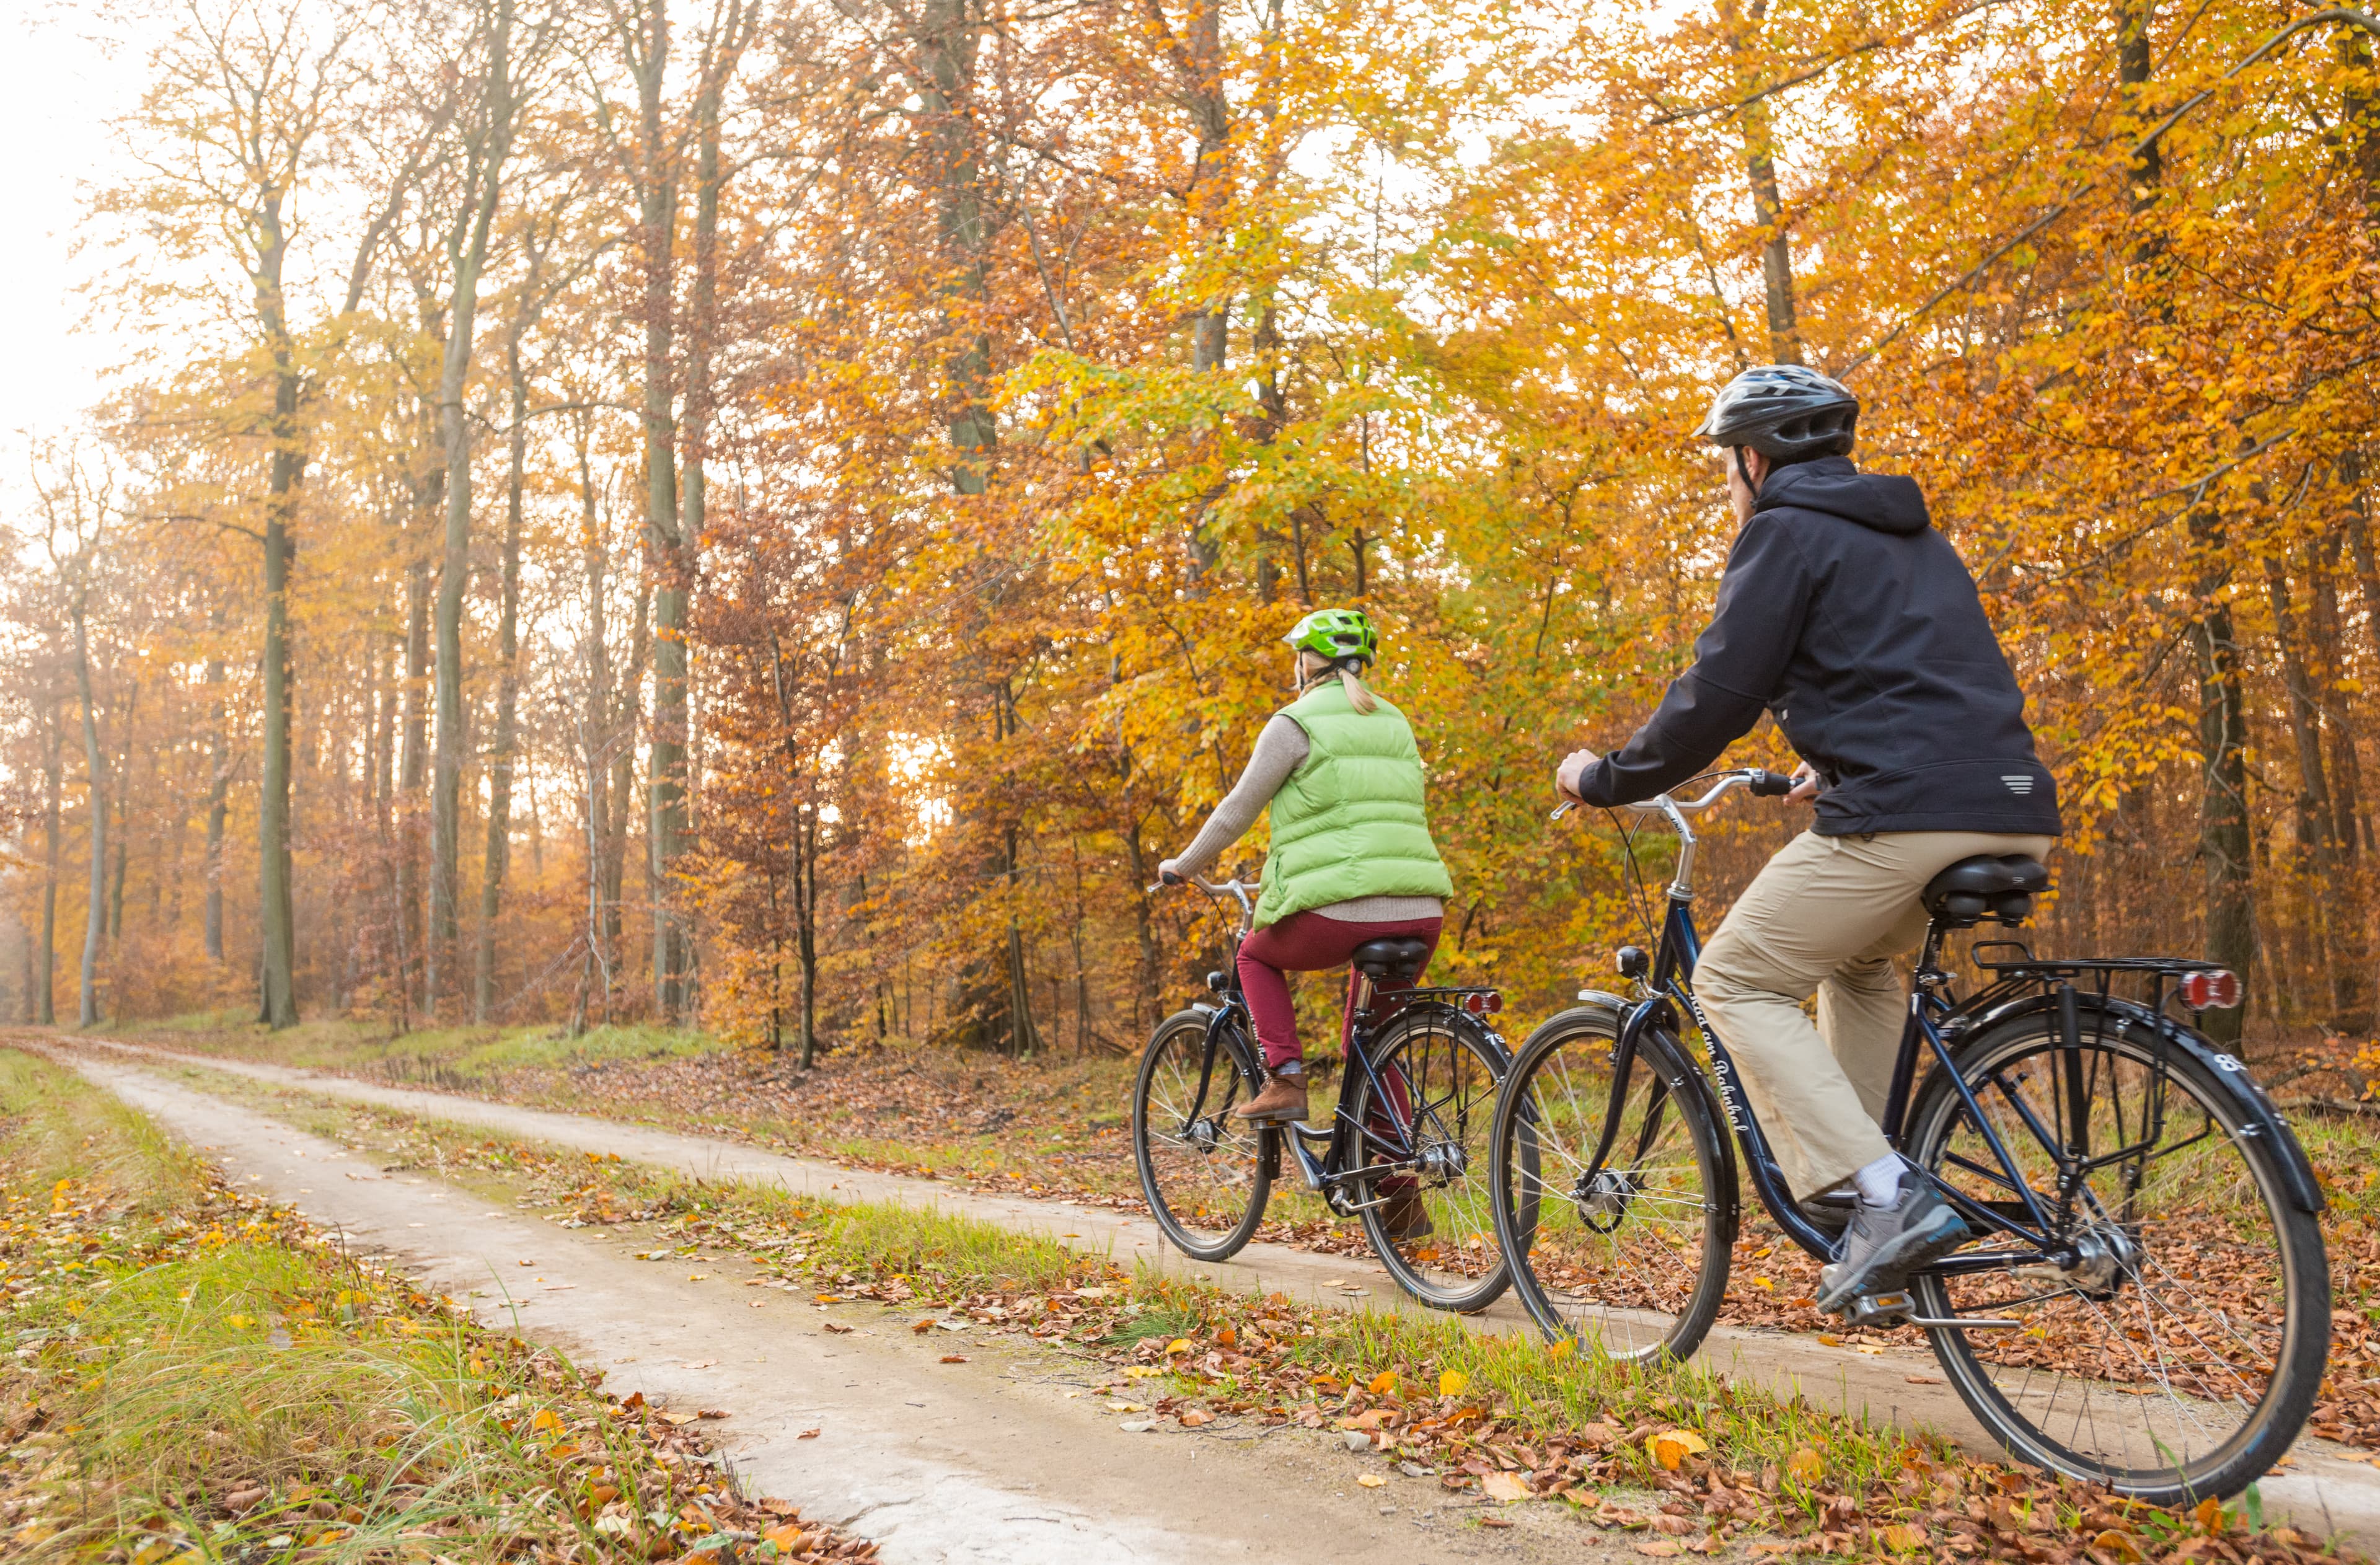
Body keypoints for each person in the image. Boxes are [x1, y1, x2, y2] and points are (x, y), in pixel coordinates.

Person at [1554, 364, 2061, 1314]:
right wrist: (1834, 761)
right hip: (2013, 803)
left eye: (1726, 466)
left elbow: (1720, 694)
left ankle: (1888, 1196)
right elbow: (1926, 677)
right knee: (1862, 968)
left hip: (1906, 816)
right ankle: (1863, 1210)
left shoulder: (1783, 532)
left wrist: (1607, 777)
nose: (1727, 486)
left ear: (1755, 457)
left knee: (1733, 979)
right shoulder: (1917, 541)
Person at [1160, 608, 1456, 1236]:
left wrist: (1184, 865)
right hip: (1422, 907)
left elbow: (1239, 806)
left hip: (1340, 909)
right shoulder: (1394, 719)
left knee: (1254, 955)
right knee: (1378, 1040)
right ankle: (1398, 1189)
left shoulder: (1293, 723)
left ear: (1309, 662)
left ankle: (1287, 1078)